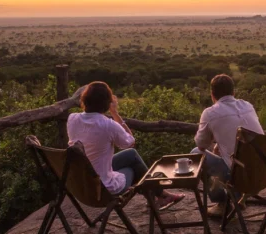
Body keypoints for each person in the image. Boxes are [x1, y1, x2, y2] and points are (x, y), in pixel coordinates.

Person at [68, 81, 183, 209]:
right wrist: (115, 113)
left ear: (85, 99)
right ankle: (160, 196)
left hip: (82, 184)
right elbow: (130, 142)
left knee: (131, 155)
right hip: (101, 189)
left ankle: (159, 196)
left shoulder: (72, 119)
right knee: (132, 167)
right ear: (107, 102)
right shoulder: (108, 125)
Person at [193, 74, 263, 214]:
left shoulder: (210, 113)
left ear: (212, 95)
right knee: (226, 157)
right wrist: (222, 144)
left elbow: (201, 145)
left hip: (240, 176)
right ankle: (237, 197)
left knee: (195, 153)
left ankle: (223, 203)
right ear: (233, 92)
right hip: (263, 170)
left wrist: (216, 140)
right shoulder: (247, 105)